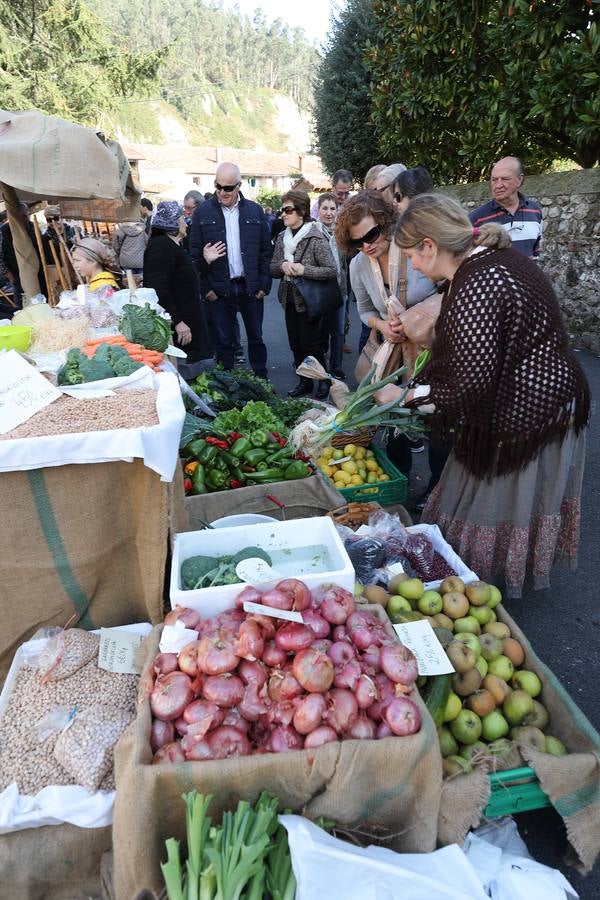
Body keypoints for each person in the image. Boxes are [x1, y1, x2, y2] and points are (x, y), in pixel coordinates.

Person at [376, 193, 589, 598]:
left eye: (413, 257)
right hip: (545, 392)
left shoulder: (478, 281)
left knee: (500, 494)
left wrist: (403, 396)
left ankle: (480, 582)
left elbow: (467, 387)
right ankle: (482, 574)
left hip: (535, 404)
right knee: (498, 495)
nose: (415, 267)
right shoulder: (490, 261)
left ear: (429, 245)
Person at [190, 162, 272, 379]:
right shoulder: (203, 212)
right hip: (219, 290)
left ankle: (262, 383)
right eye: (218, 186)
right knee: (223, 342)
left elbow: (266, 251)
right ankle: (228, 387)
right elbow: (194, 256)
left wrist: (264, 285)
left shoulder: (254, 211)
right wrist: (206, 289)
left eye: (228, 188)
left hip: (250, 287)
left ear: (239, 186)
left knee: (256, 338)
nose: (222, 192)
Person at [270, 189, 337, 399]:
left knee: (312, 345)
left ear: (302, 211)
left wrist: (303, 270)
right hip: (289, 298)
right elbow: (272, 268)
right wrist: (282, 265)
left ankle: (324, 381)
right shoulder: (282, 237)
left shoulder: (315, 236)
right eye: (283, 210)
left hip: (311, 301)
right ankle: (305, 382)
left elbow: (331, 270)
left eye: (288, 210)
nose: (284, 214)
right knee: (295, 344)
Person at [143, 200, 211, 362]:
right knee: (186, 366)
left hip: (188, 317)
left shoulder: (172, 245)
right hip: (180, 324)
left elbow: (182, 276)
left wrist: (204, 261)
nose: (185, 223)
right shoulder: (160, 247)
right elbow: (158, 288)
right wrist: (178, 321)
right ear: (172, 224)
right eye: (181, 218)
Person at [469, 156, 543, 258]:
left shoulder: (534, 211)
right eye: (494, 180)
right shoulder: (476, 218)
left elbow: (535, 252)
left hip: (527, 274)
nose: (498, 185)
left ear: (519, 180)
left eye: (505, 179)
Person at [316, 192, 348, 380]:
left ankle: (336, 367)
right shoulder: (312, 232)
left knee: (338, 331)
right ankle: (320, 369)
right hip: (320, 292)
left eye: (332, 209)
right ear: (318, 210)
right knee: (320, 333)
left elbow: (344, 264)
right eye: (325, 208)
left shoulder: (341, 233)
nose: (329, 213)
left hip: (339, 290)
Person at [0, 202, 46, 303]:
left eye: (26, 216)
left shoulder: (32, 227)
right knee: (24, 304)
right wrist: (11, 277)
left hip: (38, 273)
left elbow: (42, 247)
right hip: (18, 275)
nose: (25, 219)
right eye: (22, 217)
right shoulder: (4, 231)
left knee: (42, 301)